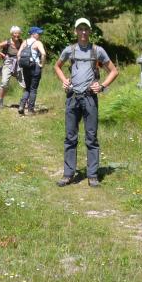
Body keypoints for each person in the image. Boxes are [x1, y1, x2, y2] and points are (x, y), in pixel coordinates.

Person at [54, 17, 118, 187]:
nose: (83, 32)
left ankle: (92, 175)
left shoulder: (98, 51)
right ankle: (68, 174)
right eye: (80, 29)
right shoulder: (69, 50)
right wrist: (64, 80)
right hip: (73, 97)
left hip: (90, 97)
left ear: (90, 31)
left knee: (91, 137)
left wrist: (102, 86)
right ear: (75, 31)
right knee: (70, 137)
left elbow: (113, 71)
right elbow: (57, 66)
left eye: (86, 29)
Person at [0, 26, 25, 108]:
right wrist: (3, 55)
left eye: (18, 33)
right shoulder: (7, 42)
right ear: (12, 34)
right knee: (4, 82)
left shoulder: (22, 42)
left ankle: (24, 101)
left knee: (25, 83)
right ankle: (0, 101)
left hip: (19, 64)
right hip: (8, 63)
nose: (17, 35)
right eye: (15, 33)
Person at [17, 27, 47, 116]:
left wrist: (21, 64)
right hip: (35, 67)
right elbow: (44, 54)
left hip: (26, 67)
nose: (40, 35)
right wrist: (42, 64)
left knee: (27, 88)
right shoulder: (38, 43)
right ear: (33, 34)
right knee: (33, 89)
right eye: (38, 33)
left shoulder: (24, 42)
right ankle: (30, 110)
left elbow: (18, 54)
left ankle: (21, 106)